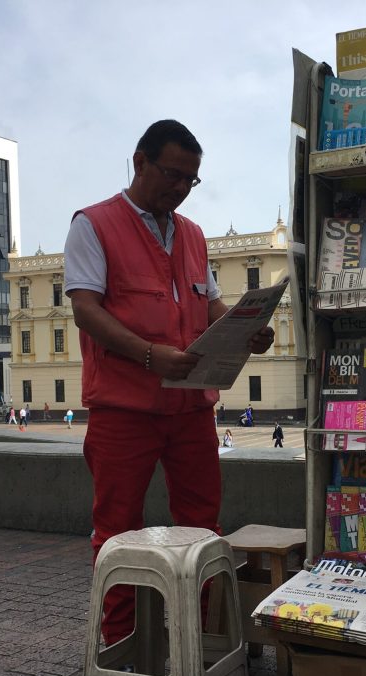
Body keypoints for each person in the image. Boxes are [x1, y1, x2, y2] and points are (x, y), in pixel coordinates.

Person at [64, 119, 275, 645]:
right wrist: (149, 356)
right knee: (116, 532)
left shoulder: (193, 234)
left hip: (191, 409)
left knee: (203, 527)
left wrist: (245, 325)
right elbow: (86, 311)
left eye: (191, 180)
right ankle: (119, 644)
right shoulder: (93, 224)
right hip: (124, 408)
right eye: (173, 174)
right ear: (139, 162)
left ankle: (201, 637)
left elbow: (206, 304)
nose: (181, 188)